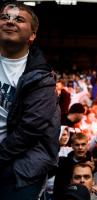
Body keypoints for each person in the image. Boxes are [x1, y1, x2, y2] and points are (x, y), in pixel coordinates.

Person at [0, 3, 60, 200]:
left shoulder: (42, 78)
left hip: (21, 169)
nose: (10, 22)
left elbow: (31, 129)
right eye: (5, 17)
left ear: (32, 35)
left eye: (18, 19)